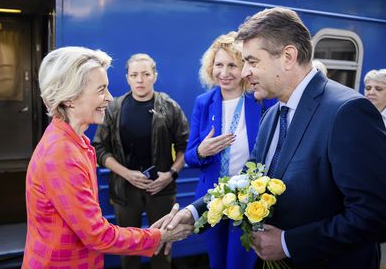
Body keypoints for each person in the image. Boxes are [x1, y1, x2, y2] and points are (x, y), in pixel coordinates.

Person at [156, 7, 386, 269]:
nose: (244, 72)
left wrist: (288, 243)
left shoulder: (348, 112)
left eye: (251, 61)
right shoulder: (273, 115)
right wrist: (192, 214)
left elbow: (378, 215)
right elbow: (247, 181)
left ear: (288, 56)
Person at [22, 47, 192, 269]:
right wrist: (158, 237)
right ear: (70, 98)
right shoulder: (61, 155)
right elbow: (97, 235)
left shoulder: (75, 142)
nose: (109, 97)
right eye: (101, 89)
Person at [184, 31, 274, 269]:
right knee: (217, 264)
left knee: (238, 264)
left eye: (232, 65)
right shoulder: (204, 102)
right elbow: (189, 158)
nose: (224, 73)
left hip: (248, 200)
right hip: (211, 201)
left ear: (245, 67)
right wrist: (202, 151)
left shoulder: (262, 100)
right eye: (219, 64)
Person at [93, 53, 189, 269]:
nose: (140, 80)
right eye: (134, 74)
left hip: (161, 191)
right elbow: (99, 148)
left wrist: (170, 175)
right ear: (127, 77)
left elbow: (185, 147)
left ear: (155, 75)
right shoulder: (114, 108)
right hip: (125, 191)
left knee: (162, 247)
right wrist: (126, 173)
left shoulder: (169, 106)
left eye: (146, 74)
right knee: (128, 250)